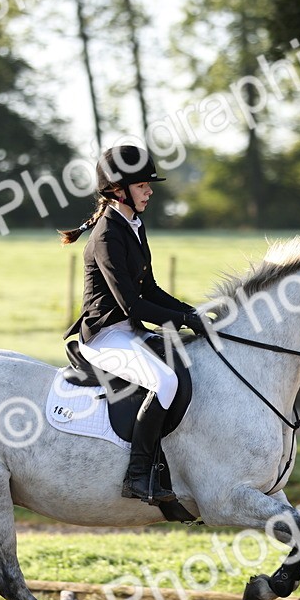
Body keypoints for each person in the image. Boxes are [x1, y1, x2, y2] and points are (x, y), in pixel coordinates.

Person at [59, 146, 205, 505]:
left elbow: (151, 288)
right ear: (118, 190)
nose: (150, 191)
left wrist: (194, 313)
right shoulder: (108, 234)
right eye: (143, 185)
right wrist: (183, 321)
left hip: (130, 330)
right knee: (165, 381)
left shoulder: (133, 225)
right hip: (106, 336)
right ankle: (138, 475)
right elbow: (131, 303)